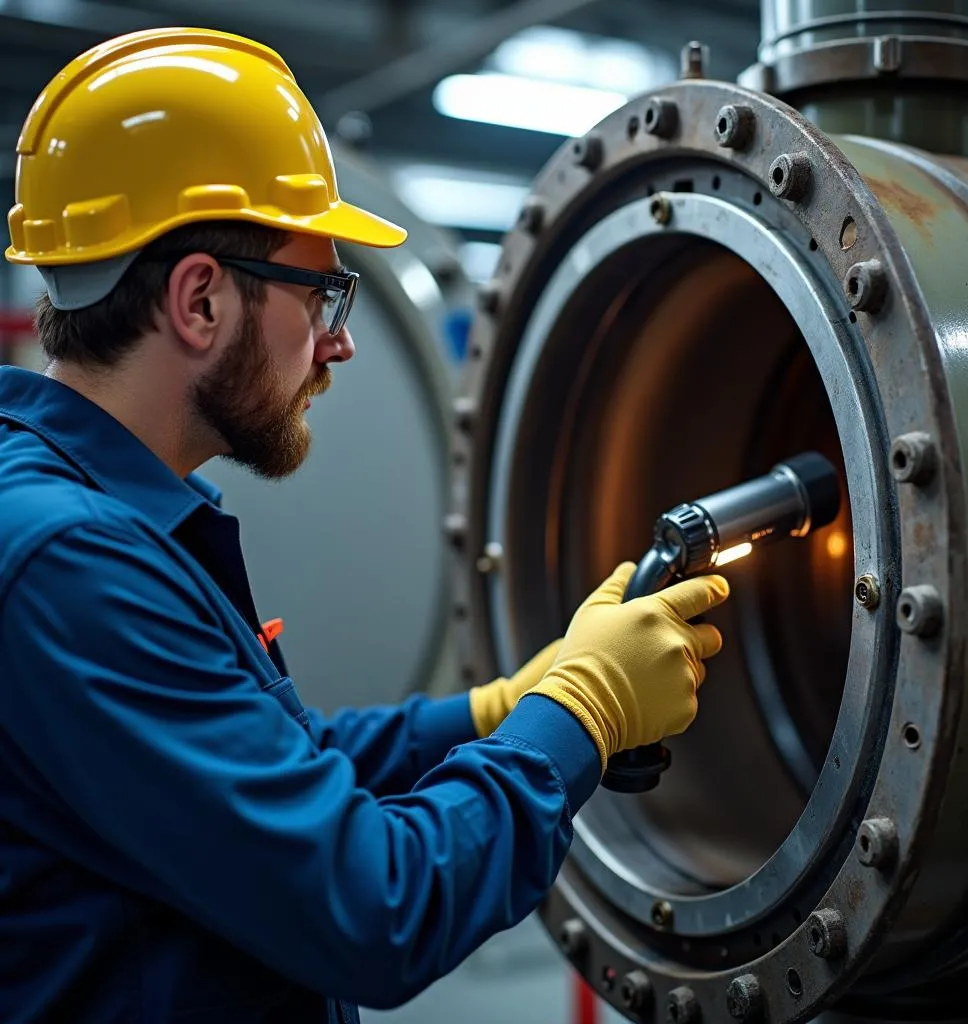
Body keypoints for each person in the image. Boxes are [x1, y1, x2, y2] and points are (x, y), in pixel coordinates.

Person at [0, 26, 730, 1024]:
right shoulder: (71, 563)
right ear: (200, 299)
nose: (340, 339)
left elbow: (279, 765)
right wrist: (580, 714)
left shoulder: (97, 518)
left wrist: (500, 707)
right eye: (322, 291)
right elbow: (373, 905)